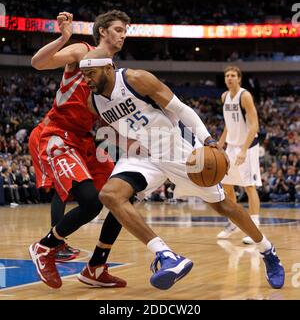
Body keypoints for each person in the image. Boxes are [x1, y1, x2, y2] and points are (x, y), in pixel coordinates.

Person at [79, 48, 285, 290]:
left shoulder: (136, 79)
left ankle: (268, 251)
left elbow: (181, 110)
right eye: (84, 74)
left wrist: (208, 141)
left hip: (179, 150)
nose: (86, 79)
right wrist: (126, 144)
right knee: (110, 195)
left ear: (107, 68)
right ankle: (166, 256)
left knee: (223, 205)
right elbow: (112, 127)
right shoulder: (93, 101)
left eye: (90, 73)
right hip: (144, 156)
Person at [29, 10, 130, 289]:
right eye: (119, 29)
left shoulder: (113, 74)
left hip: (87, 140)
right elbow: (38, 63)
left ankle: (96, 267)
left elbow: (112, 118)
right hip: (58, 135)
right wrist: (63, 38)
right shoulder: (82, 50)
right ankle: (45, 248)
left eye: (125, 31)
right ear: (103, 31)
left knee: (122, 196)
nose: (123, 35)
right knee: (90, 201)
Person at [217, 66, 262, 245]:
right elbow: (229, 123)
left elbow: (254, 125)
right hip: (232, 146)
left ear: (239, 79)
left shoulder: (245, 96)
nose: (229, 78)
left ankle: (255, 227)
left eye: (233, 76)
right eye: (227, 75)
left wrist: (244, 149)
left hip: (248, 146)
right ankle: (233, 223)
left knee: (249, 186)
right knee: (226, 185)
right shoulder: (224, 97)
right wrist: (221, 143)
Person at [28, 118, 80, 262]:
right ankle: (55, 243)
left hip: (55, 138)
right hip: (45, 137)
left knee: (65, 189)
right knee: (60, 189)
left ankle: (57, 241)